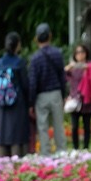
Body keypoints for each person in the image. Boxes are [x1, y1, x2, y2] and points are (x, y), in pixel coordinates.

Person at [28, 23, 67, 155]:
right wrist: (64, 94)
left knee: (42, 127)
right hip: (56, 93)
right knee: (58, 125)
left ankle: (46, 154)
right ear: (50, 36)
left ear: (36, 39)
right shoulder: (57, 54)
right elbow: (62, 76)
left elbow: (32, 82)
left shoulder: (35, 58)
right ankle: (61, 152)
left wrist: (31, 102)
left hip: (41, 96)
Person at [0, 32, 31, 158]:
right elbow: (25, 85)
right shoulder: (19, 62)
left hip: (1, 103)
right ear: (18, 45)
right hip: (17, 103)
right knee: (17, 133)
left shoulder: (0, 62)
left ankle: (2, 156)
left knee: (3, 131)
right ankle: (18, 156)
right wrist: (30, 103)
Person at [65, 42, 91, 150]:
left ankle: (86, 147)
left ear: (86, 53)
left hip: (87, 99)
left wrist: (87, 67)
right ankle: (75, 148)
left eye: (82, 52)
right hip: (75, 99)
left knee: (87, 125)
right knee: (74, 126)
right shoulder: (72, 67)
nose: (80, 55)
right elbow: (64, 77)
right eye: (77, 52)